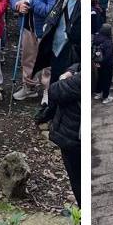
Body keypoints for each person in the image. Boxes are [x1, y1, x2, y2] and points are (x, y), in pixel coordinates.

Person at [9, 0, 64, 102]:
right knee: (27, 58)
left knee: (46, 63)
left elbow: (51, 9)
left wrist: (31, 1)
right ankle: (29, 87)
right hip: (27, 24)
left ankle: (48, 92)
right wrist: (17, 5)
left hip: (45, 28)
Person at [47, 64, 81, 207]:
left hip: (73, 136)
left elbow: (55, 91)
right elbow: (79, 64)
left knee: (78, 179)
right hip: (71, 132)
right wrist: (70, 71)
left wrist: (63, 78)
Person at [92, 24, 113, 104]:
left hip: (98, 62)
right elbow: (108, 55)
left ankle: (98, 93)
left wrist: (97, 62)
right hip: (107, 64)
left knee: (100, 78)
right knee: (107, 80)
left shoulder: (96, 38)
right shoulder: (108, 41)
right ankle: (105, 97)